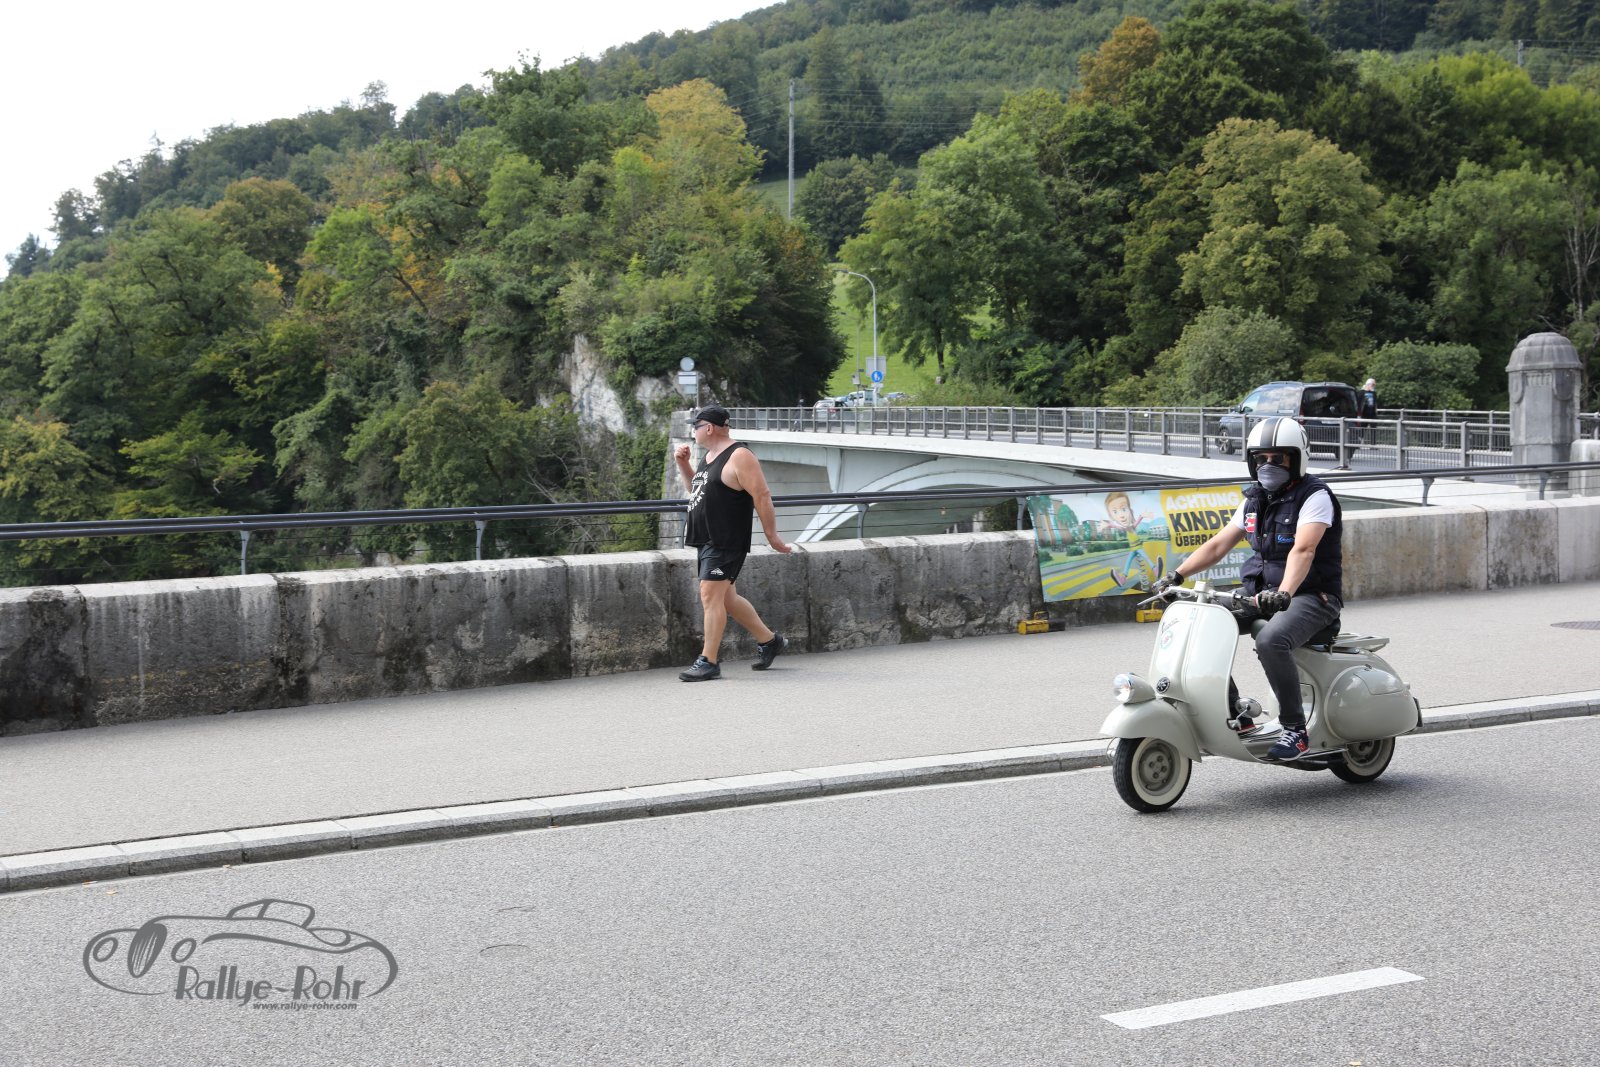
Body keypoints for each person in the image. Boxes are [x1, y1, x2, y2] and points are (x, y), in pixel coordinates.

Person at [1153, 417, 1343, 761]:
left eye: (1278, 458)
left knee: (1271, 641)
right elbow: (1218, 545)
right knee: (1201, 624)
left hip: (1312, 596)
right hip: (1262, 593)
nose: (1269, 465)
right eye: (1261, 458)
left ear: (1297, 458)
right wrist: (1176, 575)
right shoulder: (1254, 499)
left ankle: (1295, 731)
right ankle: (1235, 712)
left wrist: (1284, 592)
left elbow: (1304, 550)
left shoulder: (1314, 496)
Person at [674, 404, 794, 682]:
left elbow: (762, 495)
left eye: (696, 426)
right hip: (706, 538)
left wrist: (772, 536)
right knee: (726, 598)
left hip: (725, 539)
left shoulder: (739, 455)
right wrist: (683, 464)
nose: (693, 432)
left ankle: (708, 661)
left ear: (709, 428)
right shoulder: (710, 456)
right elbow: (696, 490)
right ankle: (769, 641)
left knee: (709, 595)